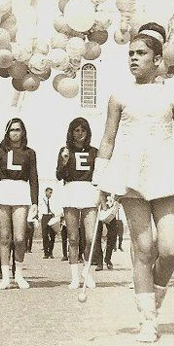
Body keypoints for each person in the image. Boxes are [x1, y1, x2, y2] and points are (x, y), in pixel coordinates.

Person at [92, 22, 174, 343]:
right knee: (144, 248)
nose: (134, 58)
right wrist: (100, 179)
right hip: (131, 177)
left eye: (141, 53)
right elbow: (108, 139)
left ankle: (153, 298)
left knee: (169, 249)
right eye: (130, 53)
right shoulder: (119, 95)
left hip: (166, 175)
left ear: (157, 60)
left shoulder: (172, 95)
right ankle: (147, 319)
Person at [0, 117, 39, 290]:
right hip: (3, 192)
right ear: (7, 133)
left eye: (18, 130)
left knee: (19, 237)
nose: (15, 133)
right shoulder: (0, 152)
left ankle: (19, 275)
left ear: (23, 132)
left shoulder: (30, 153)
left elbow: (34, 178)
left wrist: (35, 202)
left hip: (21, 192)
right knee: (5, 237)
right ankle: (6, 277)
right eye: (12, 130)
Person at [56, 117, 100, 289]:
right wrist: (64, 162)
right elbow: (59, 175)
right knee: (73, 238)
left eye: (83, 130)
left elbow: (100, 174)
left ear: (87, 132)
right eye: (76, 130)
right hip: (71, 191)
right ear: (71, 132)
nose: (80, 133)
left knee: (91, 237)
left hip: (89, 192)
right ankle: (74, 276)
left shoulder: (94, 152)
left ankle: (87, 271)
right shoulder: (64, 150)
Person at [93, 194, 120, 271]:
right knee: (97, 236)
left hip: (110, 210)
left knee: (113, 235)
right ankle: (99, 262)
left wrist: (116, 201)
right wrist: (103, 205)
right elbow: (100, 192)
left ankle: (108, 258)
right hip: (98, 209)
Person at [39, 187, 58, 259]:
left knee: (52, 235)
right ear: (46, 192)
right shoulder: (41, 199)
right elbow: (39, 209)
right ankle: (46, 253)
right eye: (49, 192)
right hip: (44, 217)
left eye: (51, 193)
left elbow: (56, 208)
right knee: (45, 235)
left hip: (51, 216)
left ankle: (51, 252)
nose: (50, 194)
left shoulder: (53, 200)